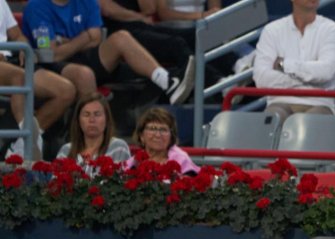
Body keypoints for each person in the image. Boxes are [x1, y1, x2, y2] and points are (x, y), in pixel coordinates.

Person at [21, 0, 195, 104]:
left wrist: (67, 42)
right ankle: (91, 142)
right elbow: (53, 54)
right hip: (51, 65)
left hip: (82, 55)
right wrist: (84, 37)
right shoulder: (37, 6)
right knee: (84, 74)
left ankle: (168, 82)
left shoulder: (87, 1)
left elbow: (96, 38)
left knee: (121, 38)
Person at [0, 0, 76, 159]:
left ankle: (22, 144)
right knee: (19, 77)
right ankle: (26, 135)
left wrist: (23, 47)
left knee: (66, 91)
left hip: (12, 60)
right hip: (7, 66)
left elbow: (17, 35)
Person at [252, 0, 335, 124]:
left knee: (307, 123)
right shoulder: (272, 31)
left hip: (319, 104)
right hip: (280, 102)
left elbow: (326, 72)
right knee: (272, 118)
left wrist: (284, 65)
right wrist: (309, 81)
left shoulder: (332, 29)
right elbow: (261, 78)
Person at [56, 93, 131, 168]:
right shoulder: (66, 150)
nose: (92, 120)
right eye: (86, 114)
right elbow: (56, 179)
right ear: (78, 120)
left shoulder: (118, 147)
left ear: (107, 119)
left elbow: (122, 178)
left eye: (97, 114)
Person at [125, 107, 199, 174]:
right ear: (141, 136)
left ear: (171, 136)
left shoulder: (182, 160)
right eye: (152, 129)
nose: (158, 135)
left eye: (163, 130)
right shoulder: (133, 163)